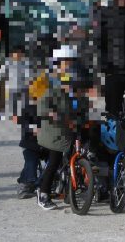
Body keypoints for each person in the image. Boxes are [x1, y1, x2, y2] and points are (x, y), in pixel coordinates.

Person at [35, 45, 91, 210]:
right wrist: (52, 113)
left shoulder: (74, 81)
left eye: (70, 62)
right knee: (55, 160)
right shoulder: (51, 82)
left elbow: (80, 106)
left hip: (69, 128)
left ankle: (67, 189)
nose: (68, 65)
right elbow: (41, 106)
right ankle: (43, 193)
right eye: (65, 62)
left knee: (72, 156)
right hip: (54, 130)